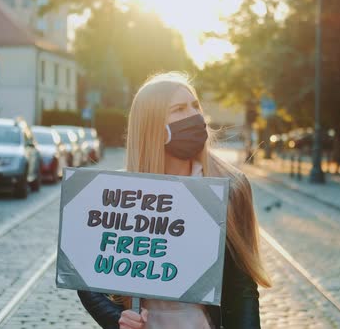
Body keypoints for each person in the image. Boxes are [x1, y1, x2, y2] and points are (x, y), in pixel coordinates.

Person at [77, 72, 271, 329]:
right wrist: (116, 319)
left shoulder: (230, 187)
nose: (193, 117)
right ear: (152, 126)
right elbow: (86, 277)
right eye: (179, 109)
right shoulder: (120, 194)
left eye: (195, 107)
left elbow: (243, 286)